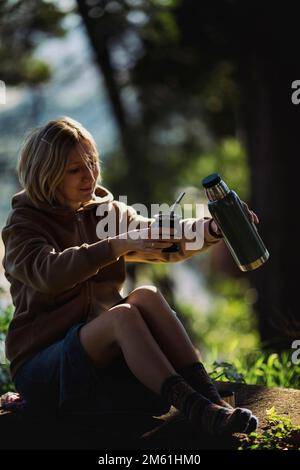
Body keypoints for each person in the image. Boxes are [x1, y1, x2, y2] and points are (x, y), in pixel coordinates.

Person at [1, 116, 259, 437]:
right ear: (47, 175)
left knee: (146, 294)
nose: (89, 175)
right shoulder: (23, 225)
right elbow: (48, 273)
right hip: (44, 366)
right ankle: (195, 408)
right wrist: (115, 244)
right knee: (122, 315)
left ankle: (209, 400)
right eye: (74, 169)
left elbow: (162, 235)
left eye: (92, 162)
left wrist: (212, 228)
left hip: (99, 355)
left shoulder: (104, 211)